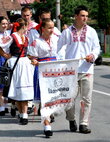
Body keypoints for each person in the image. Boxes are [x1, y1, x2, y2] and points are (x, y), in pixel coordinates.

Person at [57, 5, 100, 134]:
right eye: (82, 15)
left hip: (87, 69)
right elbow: (59, 50)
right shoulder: (67, 32)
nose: (85, 18)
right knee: (69, 98)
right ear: (76, 16)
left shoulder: (91, 31)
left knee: (86, 99)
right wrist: (62, 65)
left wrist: (92, 56)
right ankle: (71, 119)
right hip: (70, 70)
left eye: (86, 16)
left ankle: (84, 124)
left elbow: (96, 48)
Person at [0, 18, 35, 125]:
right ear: (24, 26)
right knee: (18, 89)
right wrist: (5, 55)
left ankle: (24, 115)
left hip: (25, 64)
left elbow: (29, 51)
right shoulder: (12, 37)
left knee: (25, 89)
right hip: (15, 63)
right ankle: (22, 114)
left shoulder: (26, 38)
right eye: (27, 26)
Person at [28, 19, 58, 138]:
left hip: (55, 70)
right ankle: (47, 125)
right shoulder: (36, 42)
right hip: (42, 70)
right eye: (49, 28)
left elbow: (62, 53)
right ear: (43, 29)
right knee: (45, 99)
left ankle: (48, 116)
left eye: (53, 27)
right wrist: (34, 60)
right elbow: (31, 55)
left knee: (52, 98)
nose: (52, 30)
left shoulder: (56, 39)